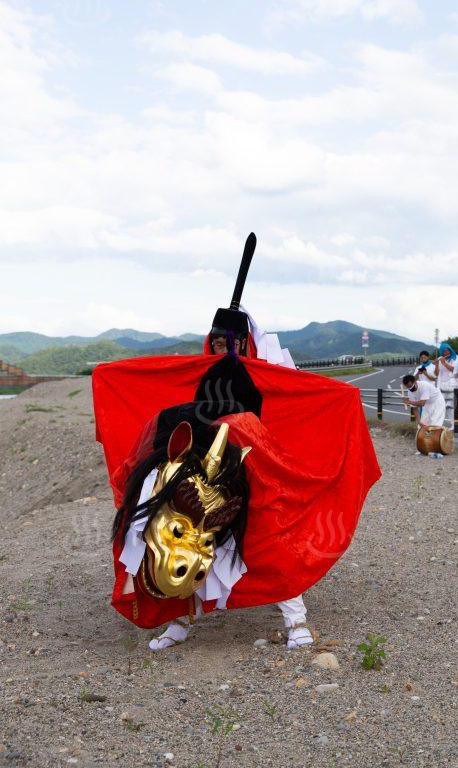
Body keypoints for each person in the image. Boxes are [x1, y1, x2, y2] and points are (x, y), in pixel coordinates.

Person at [93, 233, 381, 653]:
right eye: (221, 341)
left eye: (234, 342)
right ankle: (179, 618)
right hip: (198, 461)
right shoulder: (201, 369)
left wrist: (335, 400)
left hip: (250, 466)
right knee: (170, 528)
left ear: (246, 340)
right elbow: (165, 392)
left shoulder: (266, 372)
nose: (227, 348)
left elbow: (291, 402)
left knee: (269, 536)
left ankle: (295, 618)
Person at [401, 372, 446, 445]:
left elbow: (422, 403)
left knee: (435, 423)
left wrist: (409, 402)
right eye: (407, 387)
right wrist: (419, 421)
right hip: (427, 404)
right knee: (422, 424)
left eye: (410, 386)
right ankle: (422, 445)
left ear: (415, 382)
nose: (410, 388)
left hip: (437, 401)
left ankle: (435, 445)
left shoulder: (424, 386)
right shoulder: (410, 392)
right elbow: (415, 408)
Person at [435, 342, 458, 420]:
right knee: (442, 405)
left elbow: (454, 370)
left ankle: (454, 424)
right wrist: (437, 364)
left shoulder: (455, 358)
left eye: (448, 350)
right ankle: (441, 422)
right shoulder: (440, 358)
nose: (446, 352)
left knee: (451, 405)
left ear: (450, 350)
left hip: (451, 384)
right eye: (444, 351)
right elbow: (436, 373)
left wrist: (444, 363)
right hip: (442, 384)